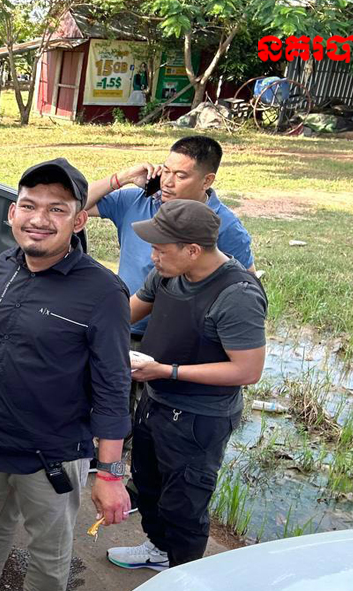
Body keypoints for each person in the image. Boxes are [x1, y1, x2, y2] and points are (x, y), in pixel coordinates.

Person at [0, 158, 132, 591]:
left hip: (52, 450)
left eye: (56, 210)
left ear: (78, 221)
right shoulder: (4, 265)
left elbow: (113, 386)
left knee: (48, 547)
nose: (39, 219)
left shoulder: (102, 291)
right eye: (29, 206)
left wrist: (110, 472)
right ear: (12, 213)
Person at [106, 199, 266, 571]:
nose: (152, 257)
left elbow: (247, 370)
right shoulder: (167, 274)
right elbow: (127, 313)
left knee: (184, 504)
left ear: (193, 250)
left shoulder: (237, 295)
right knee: (148, 484)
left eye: (160, 249)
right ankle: (159, 549)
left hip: (199, 418)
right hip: (156, 400)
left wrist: (167, 371)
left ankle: (183, 575)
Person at [85, 135, 254, 338]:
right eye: (165, 171)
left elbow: (246, 285)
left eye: (180, 176)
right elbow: (75, 206)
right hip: (123, 323)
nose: (167, 182)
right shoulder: (138, 200)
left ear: (207, 180)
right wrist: (123, 177)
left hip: (180, 339)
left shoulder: (225, 225)